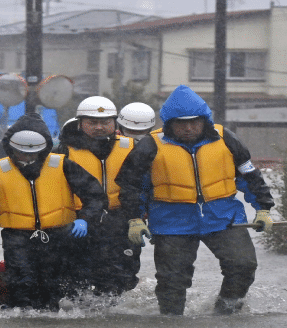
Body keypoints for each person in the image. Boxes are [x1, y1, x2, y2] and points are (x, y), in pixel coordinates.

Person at [116, 85, 276, 315]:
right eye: (181, 123)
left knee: (243, 265)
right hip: (171, 222)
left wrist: (263, 208)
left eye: (194, 122)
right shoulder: (150, 146)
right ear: (169, 123)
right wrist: (135, 218)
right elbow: (131, 186)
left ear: (205, 120)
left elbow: (250, 176)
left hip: (223, 218)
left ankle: (226, 312)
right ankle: (171, 324)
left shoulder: (226, 139)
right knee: (172, 281)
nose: (189, 128)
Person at [0, 113, 107, 310]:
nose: (27, 158)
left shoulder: (63, 165)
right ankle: (23, 318)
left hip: (59, 236)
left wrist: (85, 219)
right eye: (22, 153)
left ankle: (52, 317)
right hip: (17, 238)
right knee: (21, 283)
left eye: (32, 153)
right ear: (12, 148)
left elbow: (95, 195)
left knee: (56, 284)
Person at [55, 96, 141, 299]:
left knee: (121, 275)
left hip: (121, 219)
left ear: (115, 123)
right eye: (92, 123)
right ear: (80, 123)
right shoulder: (63, 151)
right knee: (76, 277)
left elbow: (146, 184)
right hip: (80, 221)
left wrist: (142, 216)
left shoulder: (132, 147)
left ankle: (111, 315)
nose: (99, 127)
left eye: (105, 122)